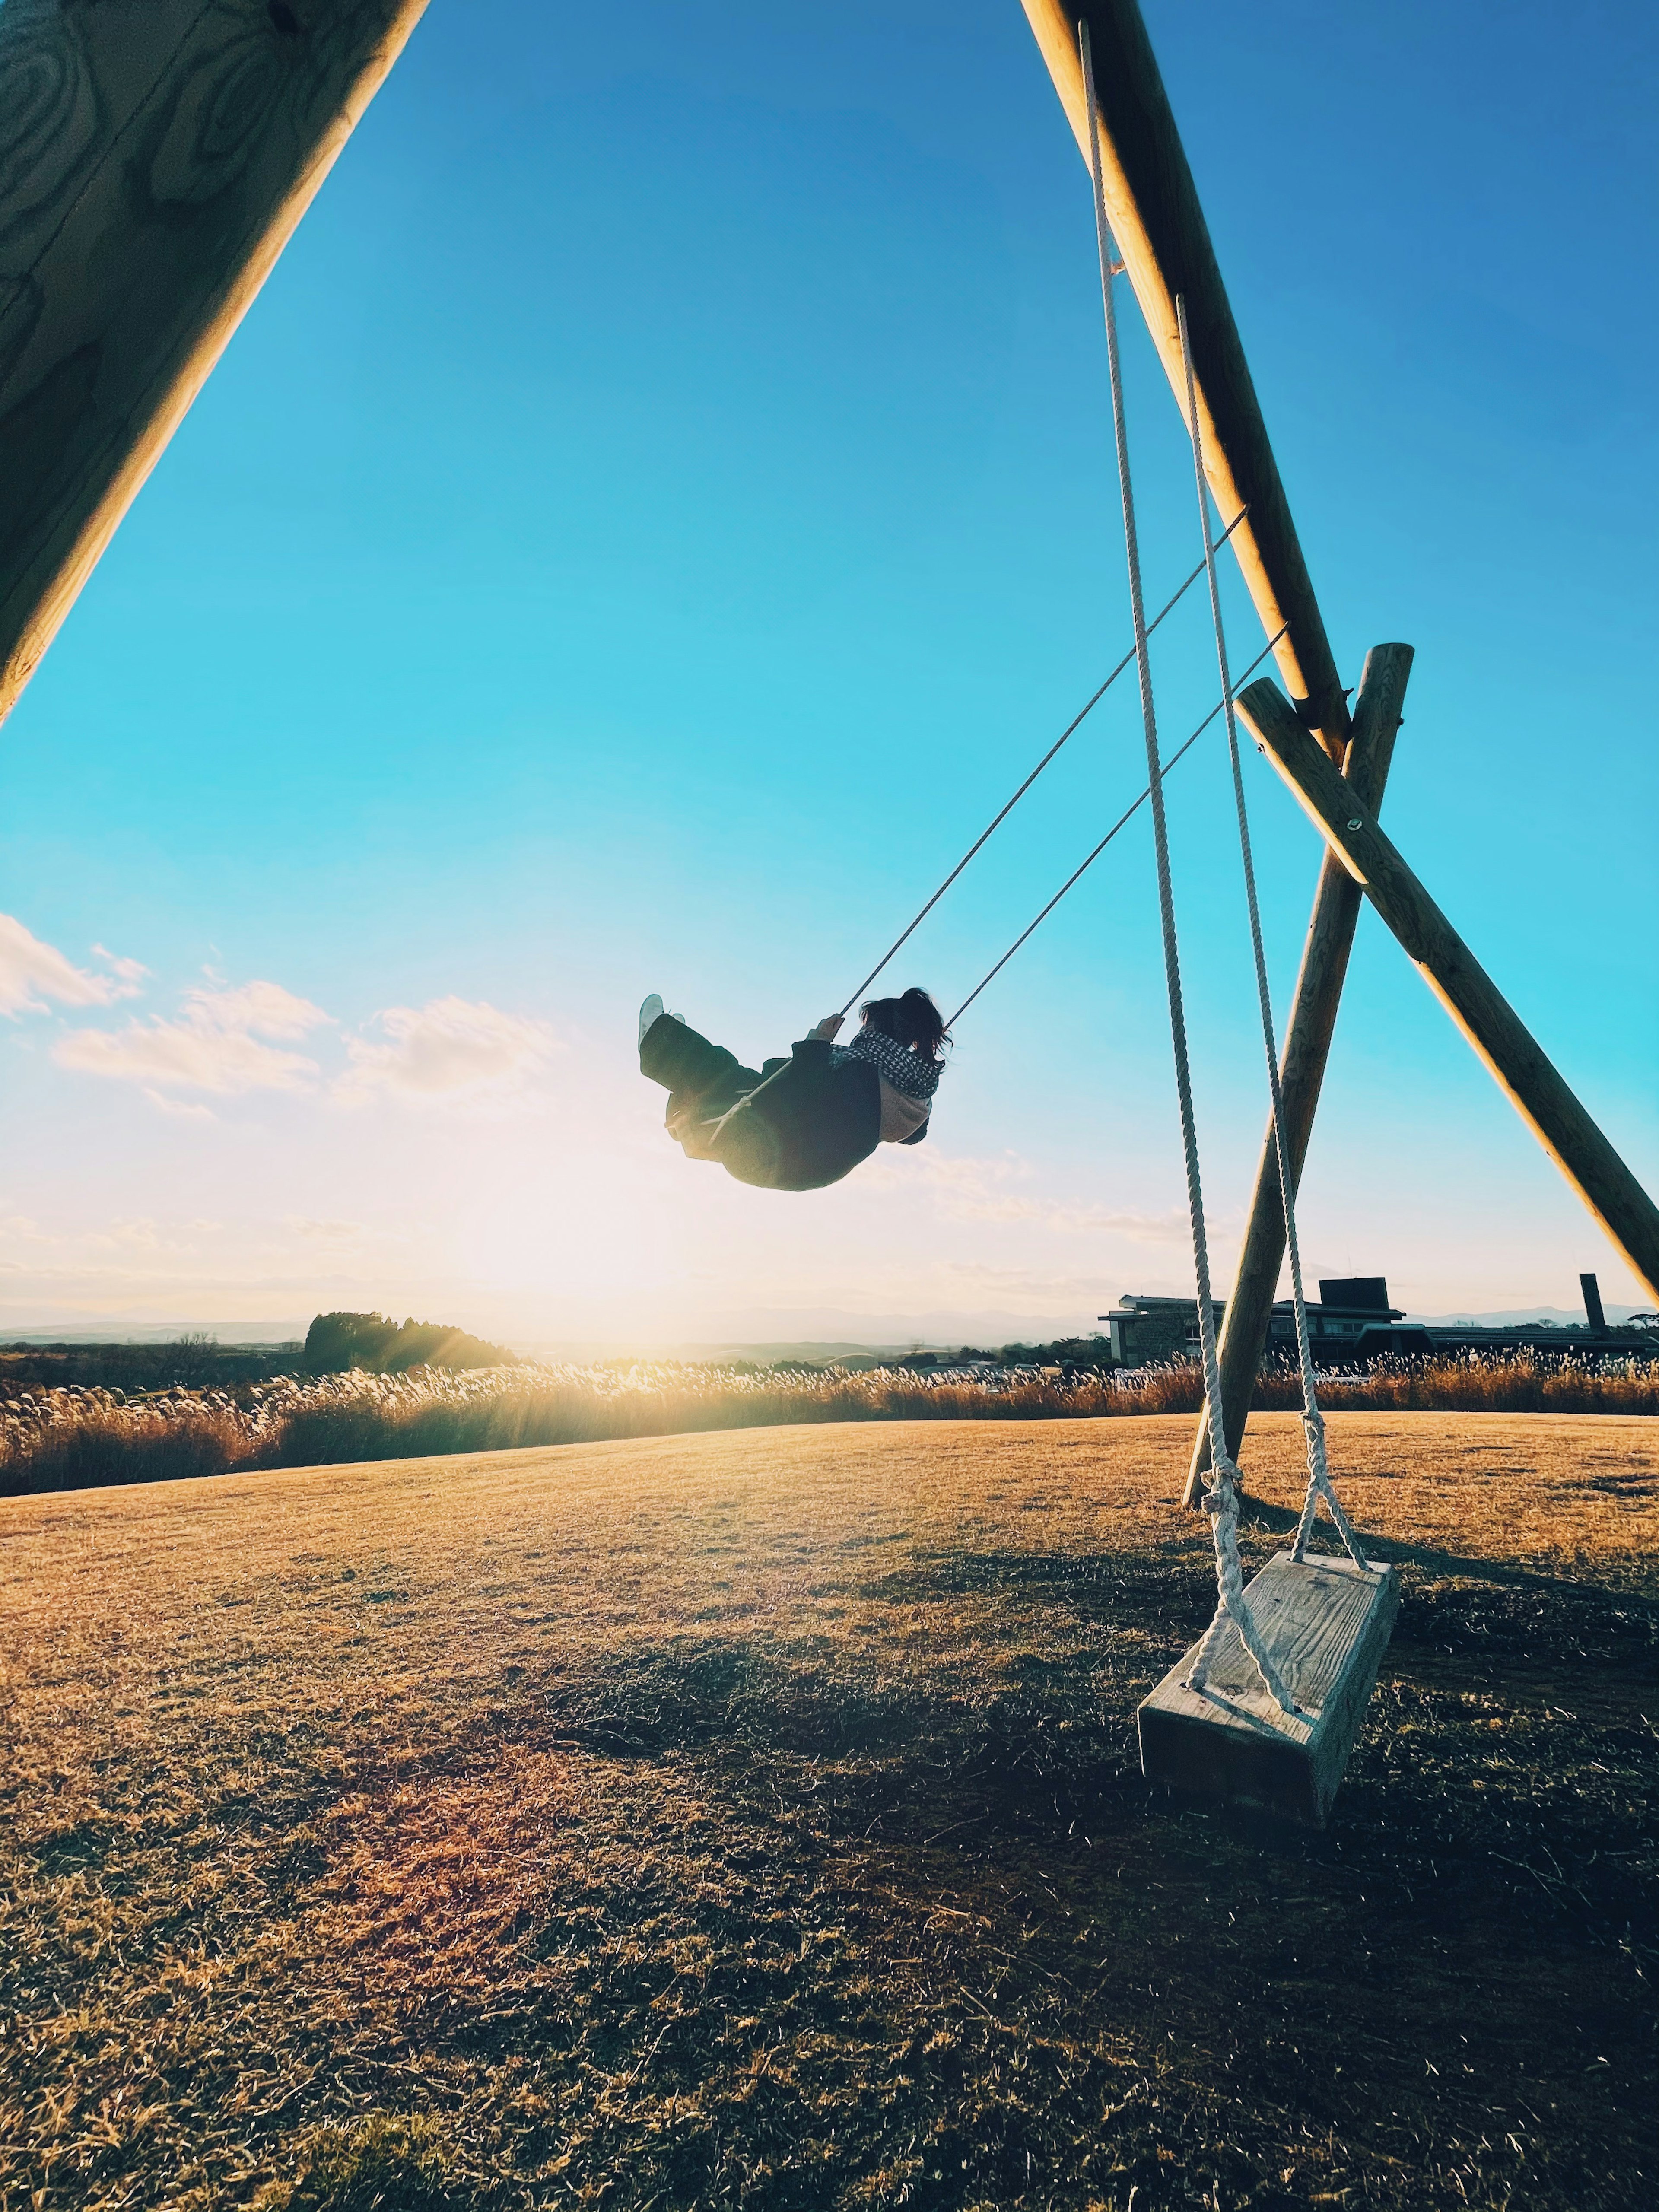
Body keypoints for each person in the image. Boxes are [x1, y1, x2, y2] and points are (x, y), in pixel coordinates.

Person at [638, 987, 948, 1192]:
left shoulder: (863, 1072)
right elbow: (913, 1134)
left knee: (729, 1078)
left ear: (877, 1031)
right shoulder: (916, 1091)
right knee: (740, 1090)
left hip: (778, 1150)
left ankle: (658, 1039)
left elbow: (806, 1091)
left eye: (866, 1026)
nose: (861, 1033)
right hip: (800, 1165)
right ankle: (680, 1093)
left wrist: (817, 1043)